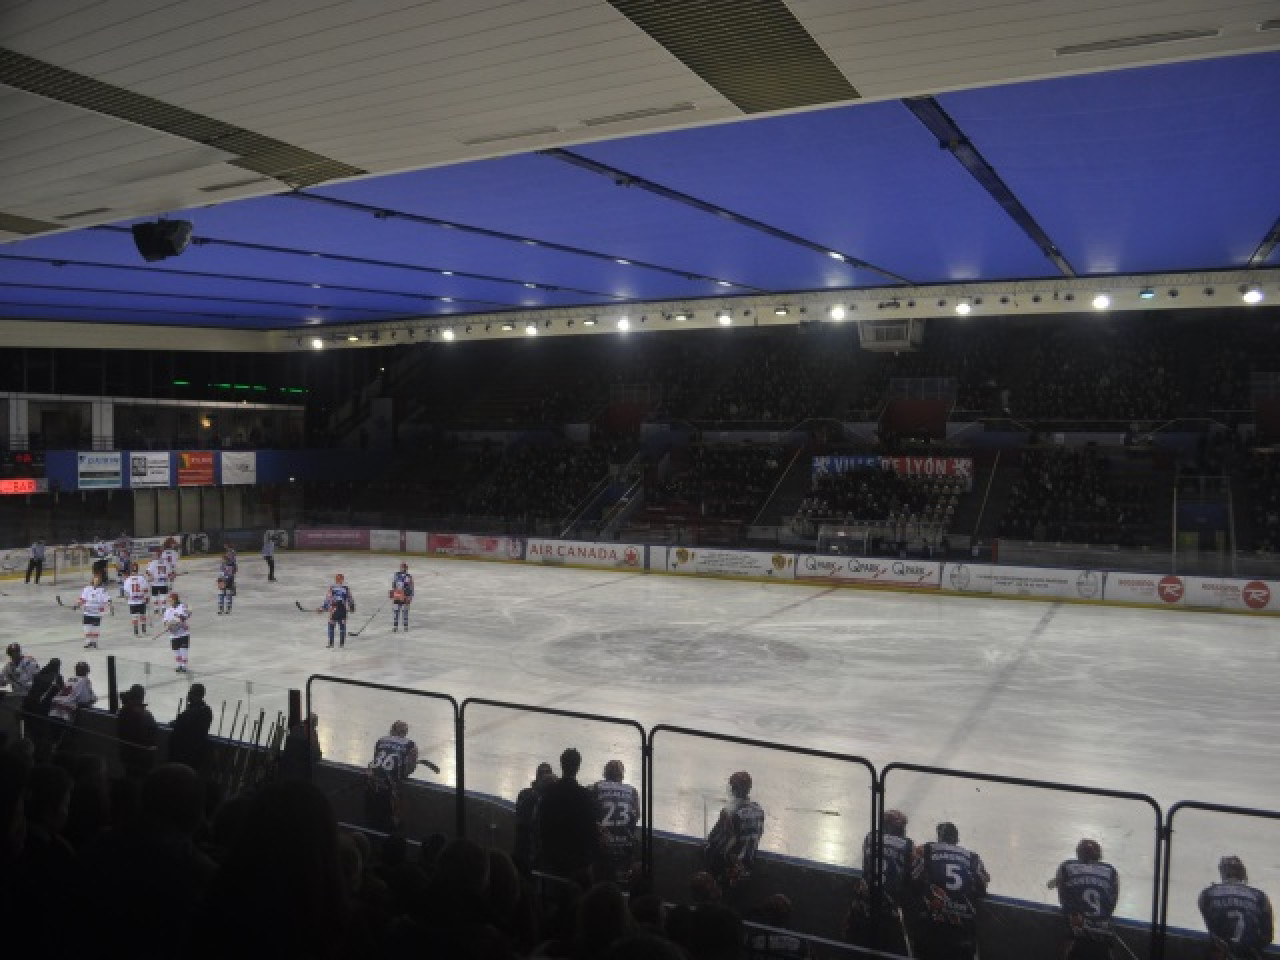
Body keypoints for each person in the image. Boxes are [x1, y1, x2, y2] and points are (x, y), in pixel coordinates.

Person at [911, 821, 990, 960]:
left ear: (938, 838)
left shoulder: (926, 850)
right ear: (956, 839)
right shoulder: (972, 857)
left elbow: (913, 877)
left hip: (931, 926)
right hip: (962, 930)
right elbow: (981, 888)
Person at [848, 808, 915, 951]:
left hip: (862, 908)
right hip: (888, 913)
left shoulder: (870, 838)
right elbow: (909, 878)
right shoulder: (908, 845)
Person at [1048, 838, 1119, 959]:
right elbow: (1112, 899)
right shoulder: (1111, 870)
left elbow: (1061, 892)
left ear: (1078, 853)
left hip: (1077, 936)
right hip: (1104, 937)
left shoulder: (1067, 866)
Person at [538, 746, 599, 879]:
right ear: (578, 767)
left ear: (561, 765)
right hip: (577, 864)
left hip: (551, 859)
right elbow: (591, 831)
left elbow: (540, 824)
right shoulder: (584, 796)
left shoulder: (549, 793)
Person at [1198, 855, 1274, 960]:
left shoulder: (1207, 894)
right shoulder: (1260, 896)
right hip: (1248, 954)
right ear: (1243, 873)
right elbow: (1267, 936)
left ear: (1222, 872)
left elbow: (1211, 925)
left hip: (1222, 953)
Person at [704, 770, 766, 894]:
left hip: (729, 871)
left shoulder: (729, 813)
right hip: (747, 869)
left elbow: (714, 839)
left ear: (733, 789)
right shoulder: (759, 810)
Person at [592, 758, 641, 883]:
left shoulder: (597, 787)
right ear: (622, 775)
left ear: (605, 773)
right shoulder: (632, 791)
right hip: (624, 847)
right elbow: (636, 817)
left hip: (602, 848)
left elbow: (589, 814)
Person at [366, 719, 419, 833]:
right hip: (390, 790)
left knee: (372, 820)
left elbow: (375, 760)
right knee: (393, 823)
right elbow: (409, 769)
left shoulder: (381, 740)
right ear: (405, 733)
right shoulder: (410, 745)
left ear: (391, 730)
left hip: (372, 786)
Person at [513, 761, 555, 876]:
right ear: (537, 778)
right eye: (542, 774)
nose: (545, 777)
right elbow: (521, 815)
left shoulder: (553, 800)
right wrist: (537, 793)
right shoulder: (525, 794)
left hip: (543, 856)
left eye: (548, 774)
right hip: (524, 852)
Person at [48, 661, 96, 753]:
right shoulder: (85, 680)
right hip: (64, 713)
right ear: (86, 672)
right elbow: (86, 700)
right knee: (62, 744)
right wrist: (92, 699)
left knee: (52, 740)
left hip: (53, 709)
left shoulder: (70, 679)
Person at [22, 657, 63, 760]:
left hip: (29, 708)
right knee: (43, 735)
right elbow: (60, 693)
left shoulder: (39, 675)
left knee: (32, 733)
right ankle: (41, 757)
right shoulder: (57, 677)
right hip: (43, 710)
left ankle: (30, 755)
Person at [168, 683, 213, 774]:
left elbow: (181, 726)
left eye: (190, 692)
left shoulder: (195, 711)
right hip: (191, 754)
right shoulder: (202, 710)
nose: (188, 695)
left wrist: (177, 723)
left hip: (184, 754)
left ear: (196, 695)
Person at [117, 683, 158, 779]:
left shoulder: (123, 711)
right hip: (140, 756)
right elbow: (152, 730)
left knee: (129, 776)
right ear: (141, 696)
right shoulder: (143, 714)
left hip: (127, 753)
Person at [75, 570, 113, 649]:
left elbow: (108, 599)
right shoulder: (87, 589)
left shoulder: (102, 590)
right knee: (87, 628)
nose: (96, 580)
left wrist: (110, 605)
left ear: (99, 581)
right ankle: (88, 642)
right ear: (92, 580)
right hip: (87, 612)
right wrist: (78, 604)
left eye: (97, 579)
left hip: (97, 613)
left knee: (95, 629)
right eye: (95, 579)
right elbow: (82, 599)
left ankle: (95, 642)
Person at [279, 712, 321, 782]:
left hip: (287, 769)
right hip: (300, 772)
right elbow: (317, 754)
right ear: (314, 724)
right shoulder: (311, 733)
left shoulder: (295, 728)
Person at [323, 573, 355, 648]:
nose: (338, 580)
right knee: (332, 625)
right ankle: (332, 643)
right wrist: (324, 606)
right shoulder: (333, 588)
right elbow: (328, 598)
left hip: (341, 609)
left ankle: (341, 643)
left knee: (341, 626)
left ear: (342, 579)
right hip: (335, 609)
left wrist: (352, 606)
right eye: (337, 578)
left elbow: (350, 598)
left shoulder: (345, 588)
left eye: (339, 578)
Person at [163, 591, 192, 673]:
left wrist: (179, 618)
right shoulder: (168, 610)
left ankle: (184, 666)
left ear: (175, 600)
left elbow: (187, 615)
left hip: (183, 633)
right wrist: (168, 626)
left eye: (171, 600)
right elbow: (165, 621)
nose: (169, 601)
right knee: (176, 651)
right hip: (173, 634)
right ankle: (179, 665)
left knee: (184, 650)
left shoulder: (183, 607)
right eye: (169, 600)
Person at [122, 562, 151, 636]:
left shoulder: (127, 580)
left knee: (134, 617)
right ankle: (144, 631)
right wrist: (147, 597)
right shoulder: (142, 578)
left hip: (132, 602)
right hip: (141, 600)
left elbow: (125, 592)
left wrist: (127, 598)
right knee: (142, 616)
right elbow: (146, 589)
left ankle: (136, 632)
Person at [145, 549, 172, 620]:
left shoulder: (153, 562)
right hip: (163, 583)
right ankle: (163, 609)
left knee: (155, 596)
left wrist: (151, 577)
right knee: (163, 596)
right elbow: (169, 573)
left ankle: (156, 610)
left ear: (156, 555)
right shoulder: (166, 562)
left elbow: (147, 571)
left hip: (155, 583)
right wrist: (169, 576)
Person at [390, 562, 414, 632]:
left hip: (405, 596)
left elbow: (411, 587)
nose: (402, 568)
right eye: (401, 567)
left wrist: (410, 596)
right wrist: (392, 593)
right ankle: (395, 626)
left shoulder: (409, 576)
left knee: (405, 611)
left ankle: (405, 626)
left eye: (403, 567)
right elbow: (394, 584)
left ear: (406, 568)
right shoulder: (396, 575)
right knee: (396, 611)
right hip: (397, 596)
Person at [216, 548, 238, 615]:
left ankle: (228, 609)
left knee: (228, 595)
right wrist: (220, 579)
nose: (230, 556)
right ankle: (221, 608)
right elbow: (221, 572)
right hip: (223, 580)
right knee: (221, 594)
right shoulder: (223, 564)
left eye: (232, 555)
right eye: (229, 554)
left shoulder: (232, 564)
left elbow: (233, 572)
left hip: (229, 581)